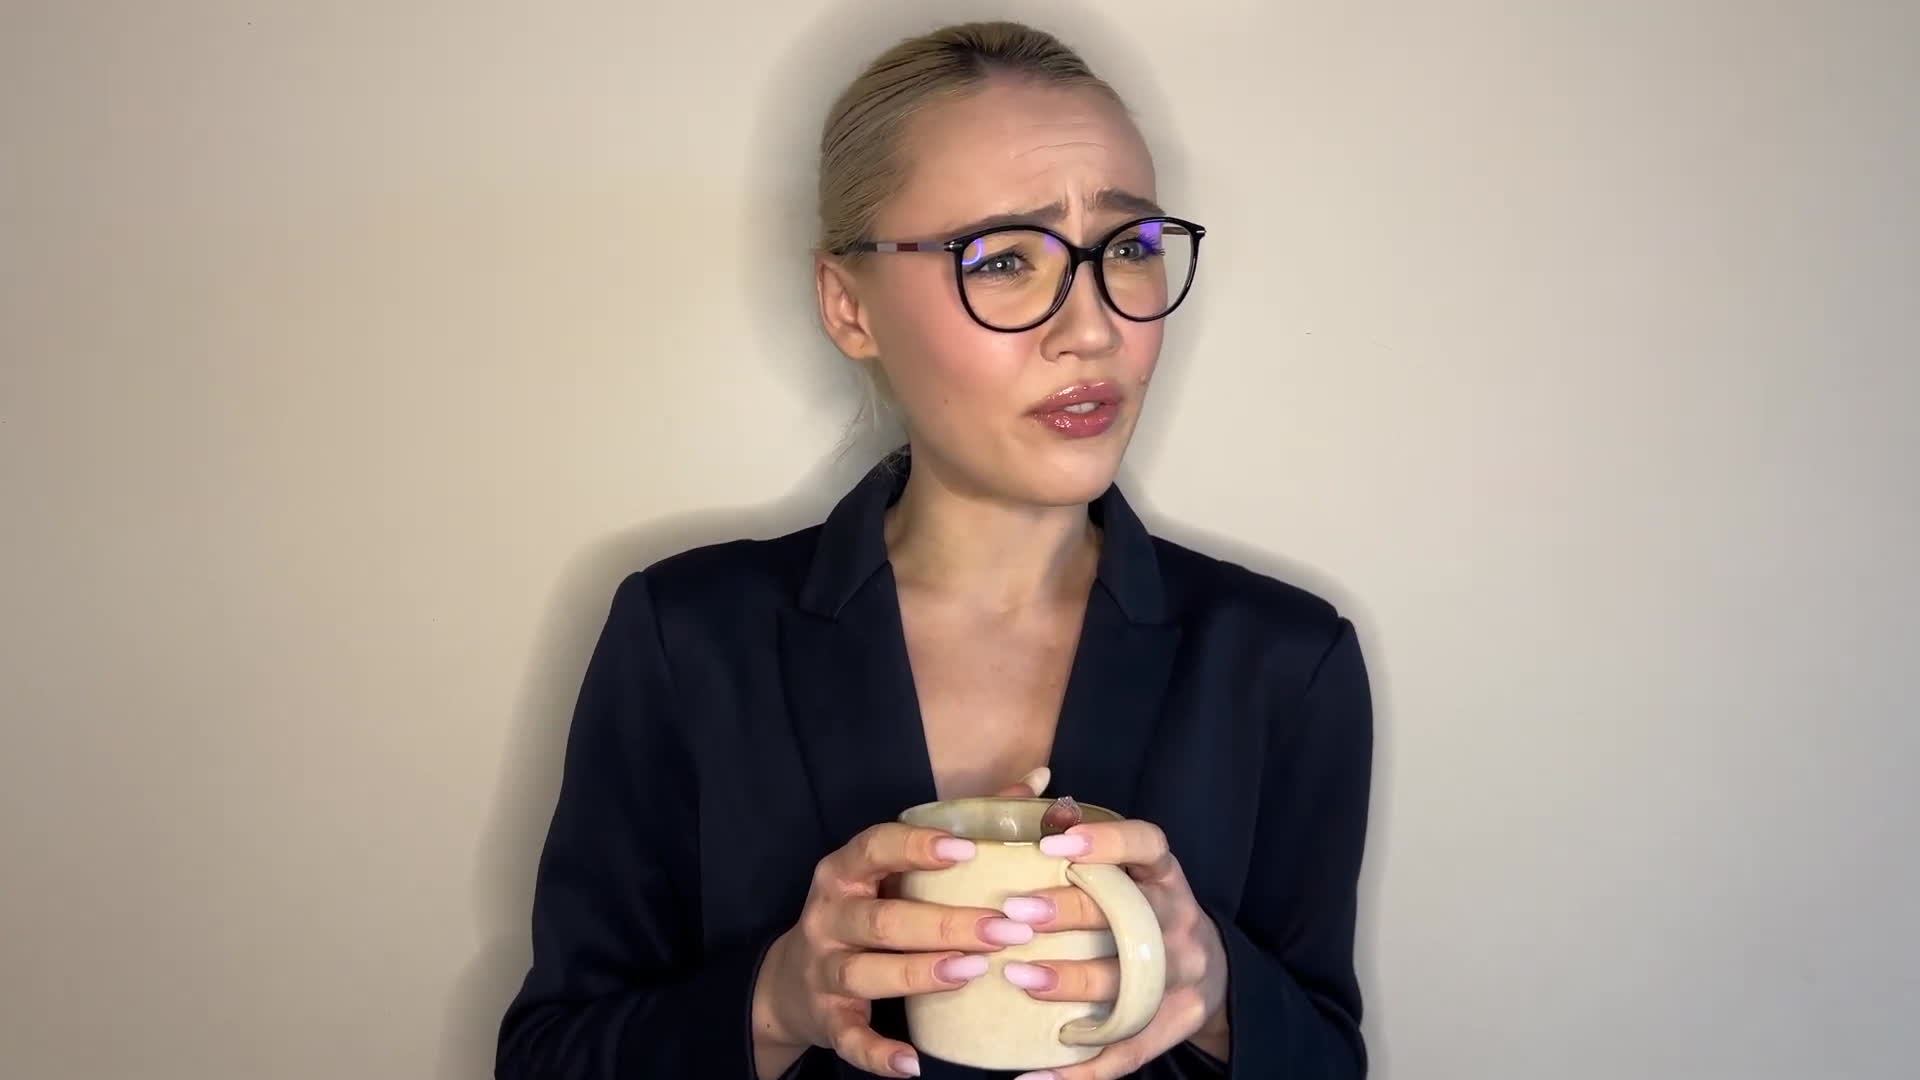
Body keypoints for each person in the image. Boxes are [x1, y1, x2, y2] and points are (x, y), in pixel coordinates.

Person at [495, 20, 1373, 1080]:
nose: (1093, 329)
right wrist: (774, 1002)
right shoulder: (688, 639)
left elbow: (1329, 1055)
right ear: (848, 305)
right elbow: (548, 1059)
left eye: (1130, 249)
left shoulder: (1286, 662)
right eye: (1002, 258)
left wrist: (1220, 995)